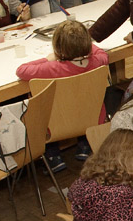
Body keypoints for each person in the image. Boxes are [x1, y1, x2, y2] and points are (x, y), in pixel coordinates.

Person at [15, 20, 108, 170]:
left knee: (45, 110)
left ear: (59, 49)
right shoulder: (97, 61)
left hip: (57, 124)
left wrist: (47, 58)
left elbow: (22, 70)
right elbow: (103, 54)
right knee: (84, 104)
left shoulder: (51, 68)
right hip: (92, 118)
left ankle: (53, 156)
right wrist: (84, 46)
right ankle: (85, 145)